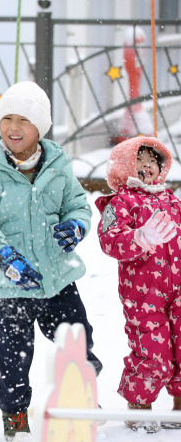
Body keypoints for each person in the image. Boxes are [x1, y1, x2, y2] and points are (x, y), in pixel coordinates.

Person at [0, 81, 103, 440]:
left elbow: (78, 205)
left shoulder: (57, 164)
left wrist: (77, 225)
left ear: (41, 127)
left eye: (24, 119)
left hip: (56, 275)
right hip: (11, 280)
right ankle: (15, 413)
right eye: (7, 118)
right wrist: (1, 253)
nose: (14, 127)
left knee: (77, 338)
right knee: (15, 353)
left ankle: (78, 395)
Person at [96, 136, 181, 433]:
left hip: (179, 290)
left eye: (153, 163)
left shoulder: (172, 200)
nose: (148, 168)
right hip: (143, 295)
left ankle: (179, 407)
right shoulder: (121, 202)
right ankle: (139, 405)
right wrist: (139, 238)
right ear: (125, 168)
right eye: (140, 162)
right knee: (153, 352)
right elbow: (109, 240)